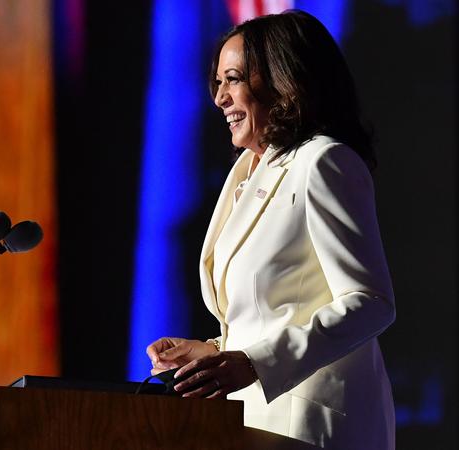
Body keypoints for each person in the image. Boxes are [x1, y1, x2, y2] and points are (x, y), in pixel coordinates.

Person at [146, 10, 396, 450]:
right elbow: (277, 313)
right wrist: (215, 353)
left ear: (283, 81)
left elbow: (371, 303)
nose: (220, 97)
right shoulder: (247, 171)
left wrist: (254, 362)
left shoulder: (323, 162)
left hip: (312, 425)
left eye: (233, 79)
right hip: (253, 421)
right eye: (218, 83)